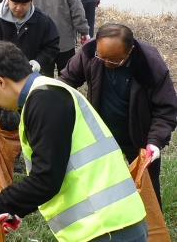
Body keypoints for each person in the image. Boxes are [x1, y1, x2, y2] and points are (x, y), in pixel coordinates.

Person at [0, 41, 147, 242]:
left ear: (0, 82)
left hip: (106, 228)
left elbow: (46, 179)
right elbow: (58, 170)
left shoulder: (45, 101)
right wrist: (16, 208)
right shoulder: (48, 94)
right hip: (108, 224)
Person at [60, 23, 177, 208]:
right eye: (102, 57)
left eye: (114, 60)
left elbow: (166, 109)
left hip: (139, 137)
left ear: (130, 50)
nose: (106, 63)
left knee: (147, 190)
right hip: (101, 135)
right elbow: (66, 81)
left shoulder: (150, 63)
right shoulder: (91, 52)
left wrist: (155, 141)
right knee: (100, 186)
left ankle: (151, 231)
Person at [0, 0, 59, 171]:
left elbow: (51, 46)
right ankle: (1, 156)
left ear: (31, 0)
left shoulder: (42, 21)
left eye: (24, 4)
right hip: (0, 81)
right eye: (15, 2)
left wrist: (38, 62)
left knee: (30, 117)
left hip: (30, 81)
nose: (18, 8)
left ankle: (27, 153)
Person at [33, 0, 89, 77]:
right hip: (64, 43)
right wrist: (84, 32)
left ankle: (46, 96)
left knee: (44, 78)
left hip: (41, 44)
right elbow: (78, 13)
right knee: (67, 76)